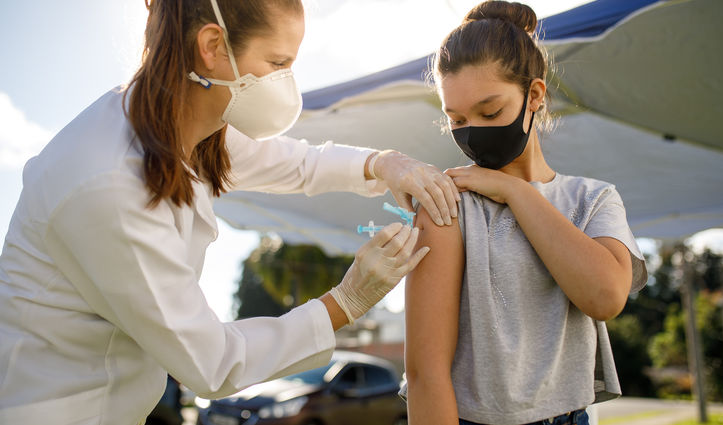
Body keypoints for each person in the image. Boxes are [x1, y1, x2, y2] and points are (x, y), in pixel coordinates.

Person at [0, 0, 460, 423]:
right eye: (278, 63)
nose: (287, 82)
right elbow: (211, 363)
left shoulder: (187, 124)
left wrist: (384, 163)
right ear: (212, 47)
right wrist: (348, 300)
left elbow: (299, 163)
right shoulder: (108, 180)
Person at [402, 2, 648, 425]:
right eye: (456, 118)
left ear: (534, 95)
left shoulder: (592, 199)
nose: (472, 131)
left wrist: (516, 191)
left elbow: (605, 296)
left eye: (490, 111)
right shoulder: (448, 203)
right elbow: (426, 374)